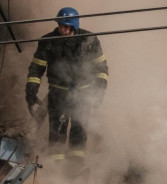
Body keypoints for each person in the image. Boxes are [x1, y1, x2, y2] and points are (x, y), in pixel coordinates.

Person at [25, 7, 108, 165]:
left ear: (74, 26)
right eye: (60, 25)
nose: (61, 29)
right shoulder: (47, 41)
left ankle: (75, 167)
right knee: (56, 133)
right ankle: (56, 169)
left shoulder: (89, 40)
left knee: (79, 131)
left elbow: (101, 69)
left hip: (82, 95)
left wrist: (98, 93)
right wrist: (31, 92)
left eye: (65, 26)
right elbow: (36, 69)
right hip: (58, 95)